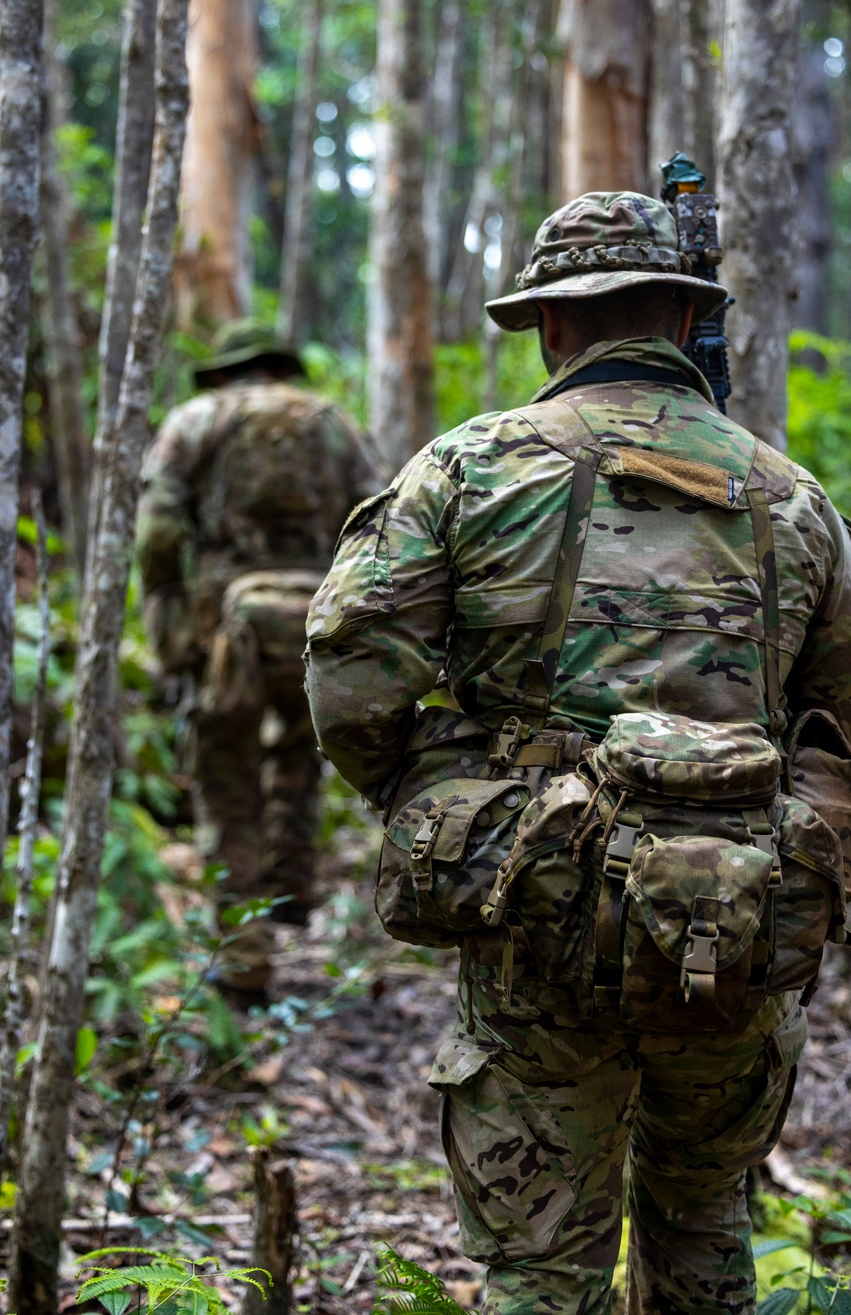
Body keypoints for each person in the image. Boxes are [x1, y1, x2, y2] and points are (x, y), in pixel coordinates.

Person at [304, 192, 851, 1313]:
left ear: (552, 326)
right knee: (705, 1229)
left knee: (541, 1268)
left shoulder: (470, 468)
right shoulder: (795, 499)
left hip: (535, 915)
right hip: (736, 923)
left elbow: (351, 679)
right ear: (681, 316)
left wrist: (450, 796)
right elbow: (839, 723)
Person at [138, 320, 382, 1004]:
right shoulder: (337, 425)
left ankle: (244, 961)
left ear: (227, 373)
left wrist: (170, 618)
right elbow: (381, 522)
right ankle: (293, 886)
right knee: (301, 756)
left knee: (227, 784)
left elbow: (157, 528)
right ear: (281, 367)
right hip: (318, 624)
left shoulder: (198, 419)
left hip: (229, 631)